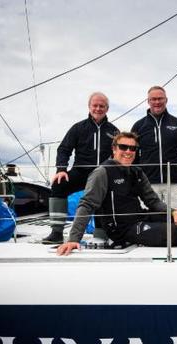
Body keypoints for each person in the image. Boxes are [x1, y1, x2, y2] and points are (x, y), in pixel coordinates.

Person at [56, 132, 177, 256]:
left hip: (139, 218)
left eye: (133, 148)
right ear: (114, 149)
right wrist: (73, 239)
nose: (128, 152)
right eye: (123, 147)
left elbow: (152, 201)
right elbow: (87, 205)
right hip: (121, 229)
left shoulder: (137, 172)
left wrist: (172, 211)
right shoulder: (102, 172)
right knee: (174, 231)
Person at [42, 92, 119, 244]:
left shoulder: (114, 131)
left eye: (101, 106)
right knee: (58, 185)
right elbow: (64, 149)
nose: (98, 108)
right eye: (95, 105)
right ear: (89, 107)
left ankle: (101, 234)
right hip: (80, 171)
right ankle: (56, 232)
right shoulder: (78, 128)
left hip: (102, 174)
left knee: (105, 195)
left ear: (107, 108)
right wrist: (61, 170)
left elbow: (119, 154)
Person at [130, 86, 177, 213]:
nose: (157, 102)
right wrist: (142, 173)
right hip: (148, 183)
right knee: (151, 219)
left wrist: (176, 169)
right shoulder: (139, 126)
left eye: (160, 99)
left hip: (174, 182)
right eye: (153, 99)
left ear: (166, 100)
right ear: (148, 101)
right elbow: (132, 154)